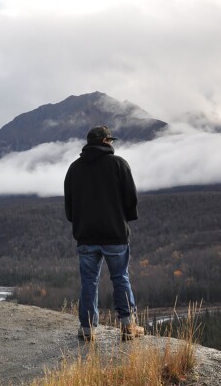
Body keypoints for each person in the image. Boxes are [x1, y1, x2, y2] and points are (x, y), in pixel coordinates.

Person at [64, 126, 145, 341]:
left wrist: (80, 223)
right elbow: (131, 198)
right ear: (106, 141)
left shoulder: (75, 168)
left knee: (89, 282)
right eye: (110, 140)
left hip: (86, 236)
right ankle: (128, 327)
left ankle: (88, 329)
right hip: (115, 234)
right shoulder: (118, 164)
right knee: (120, 278)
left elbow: (69, 206)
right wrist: (124, 218)